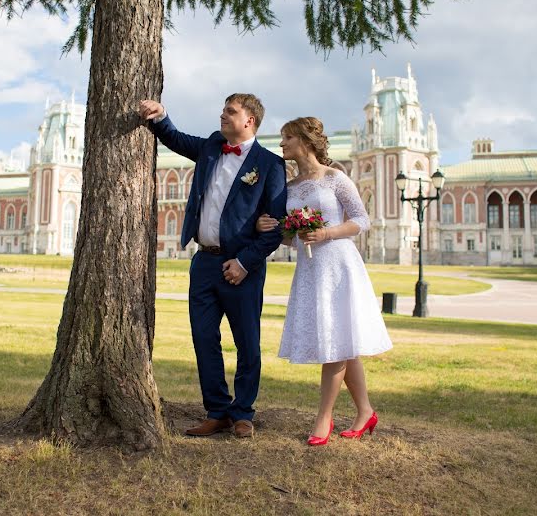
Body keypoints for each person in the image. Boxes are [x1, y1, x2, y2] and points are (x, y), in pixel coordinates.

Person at [139, 94, 287, 439]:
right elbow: (176, 139)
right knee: (204, 338)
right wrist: (161, 116)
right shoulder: (211, 147)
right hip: (204, 261)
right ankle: (217, 410)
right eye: (223, 109)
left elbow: (275, 227)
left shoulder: (270, 165)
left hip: (242, 268)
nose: (222, 115)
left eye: (230, 111)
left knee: (247, 342)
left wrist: (245, 262)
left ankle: (243, 413)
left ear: (249, 120)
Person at [256, 117, 392, 446]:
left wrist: (327, 232)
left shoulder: (336, 178)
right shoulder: (288, 188)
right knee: (343, 341)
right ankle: (365, 412)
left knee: (336, 342)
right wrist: (272, 229)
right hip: (310, 268)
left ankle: (324, 417)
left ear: (304, 141)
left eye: (288, 137)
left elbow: (362, 219)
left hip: (340, 265)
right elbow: (293, 238)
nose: (282, 143)